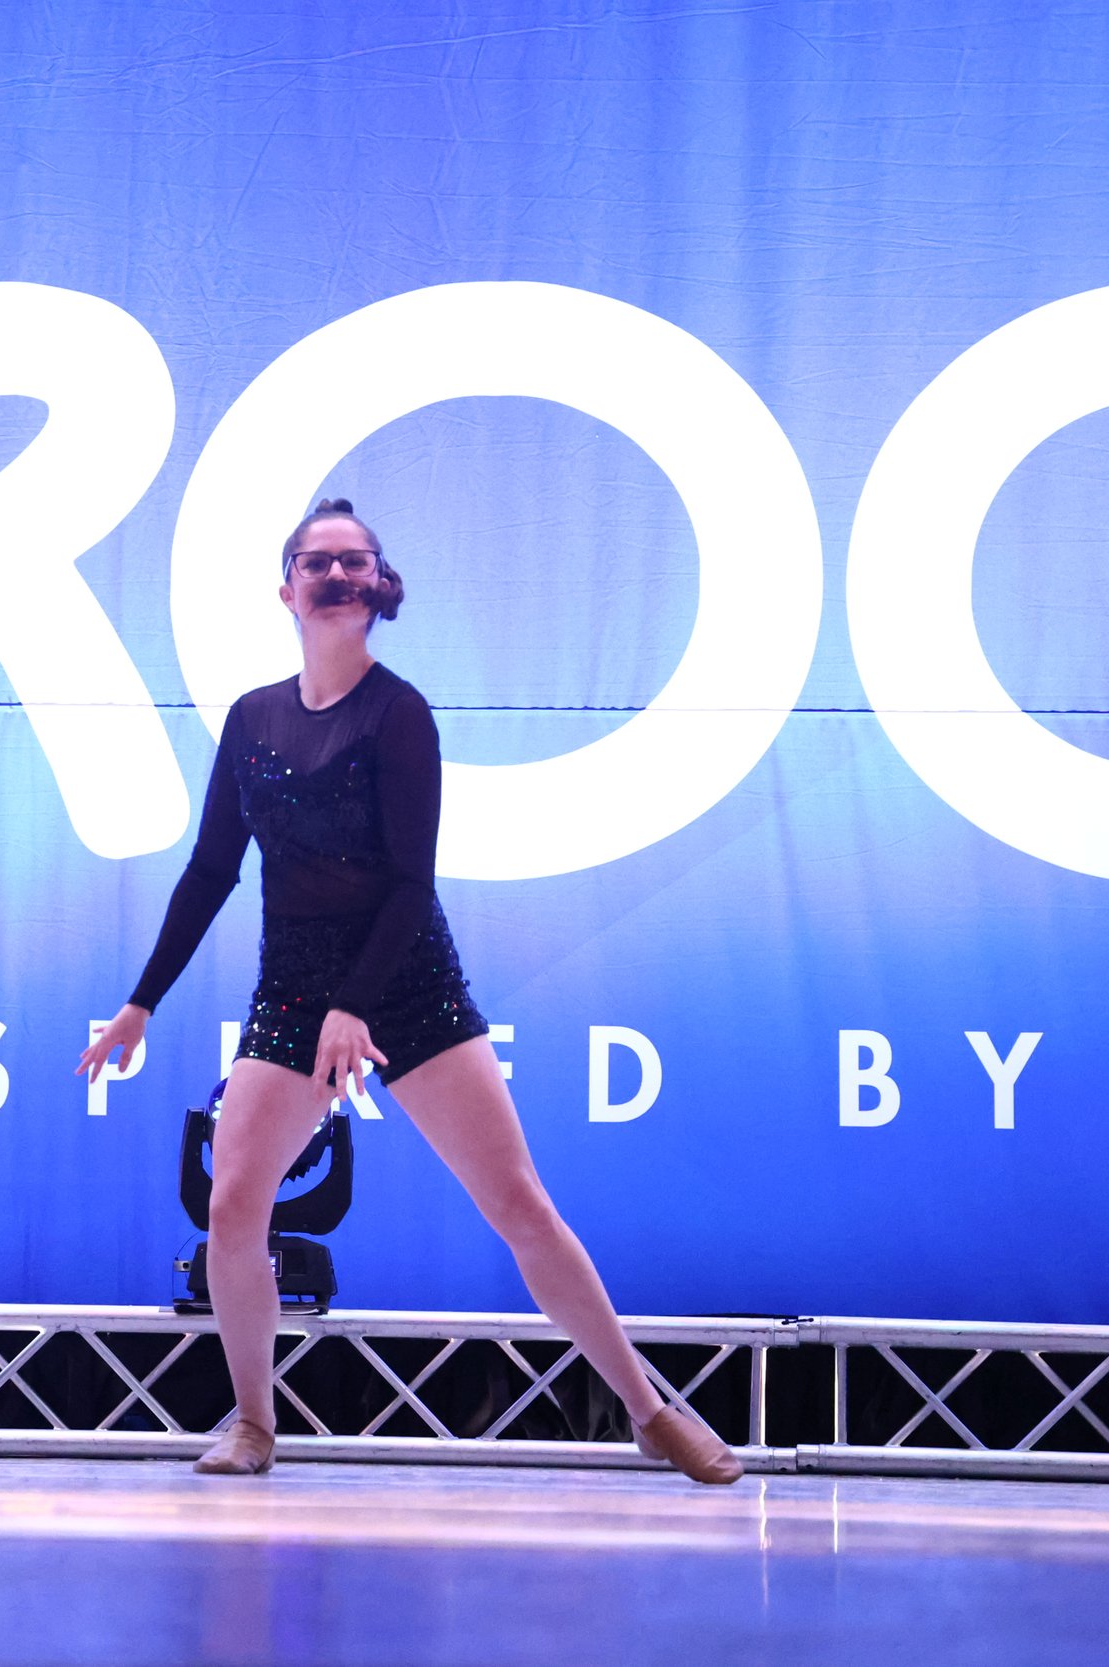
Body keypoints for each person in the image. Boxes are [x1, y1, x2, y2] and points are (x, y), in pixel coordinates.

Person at [77, 498, 741, 1485]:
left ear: (378, 586)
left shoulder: (399, 713)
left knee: (517, 1202)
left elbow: (407, 882)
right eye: (319, 562)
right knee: (233, 1207)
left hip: (404, 981)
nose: (338, 576)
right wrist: (142, 1000)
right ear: (286, 588)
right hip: (294, 993)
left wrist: (357, 1004)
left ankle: (647, 1407)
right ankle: (253, 1421)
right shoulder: (252, 719)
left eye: (356, 562)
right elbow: (211, 869)